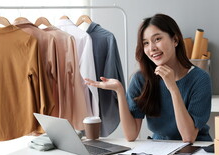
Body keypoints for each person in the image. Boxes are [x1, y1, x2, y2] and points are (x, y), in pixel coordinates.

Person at [85, 13, 212, 143]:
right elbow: (131, 135)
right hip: (159, 147)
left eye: (157, 39)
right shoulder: (141, 78)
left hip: (196, 148)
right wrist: (120, 92)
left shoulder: (200, 79)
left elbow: (188, 137)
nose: (152, 48)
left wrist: (173, 88)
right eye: (145, 43)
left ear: (175, 40)